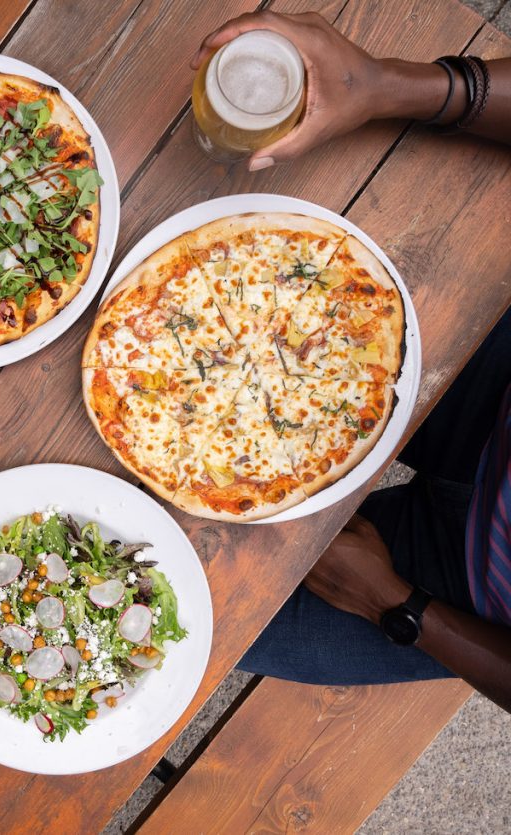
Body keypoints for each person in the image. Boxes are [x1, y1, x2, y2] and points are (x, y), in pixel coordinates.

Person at [190, 11, 511, 712]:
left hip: (465, 592)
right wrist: (388, 86)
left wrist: (397, 606)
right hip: (499, 398)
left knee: (193, 614)